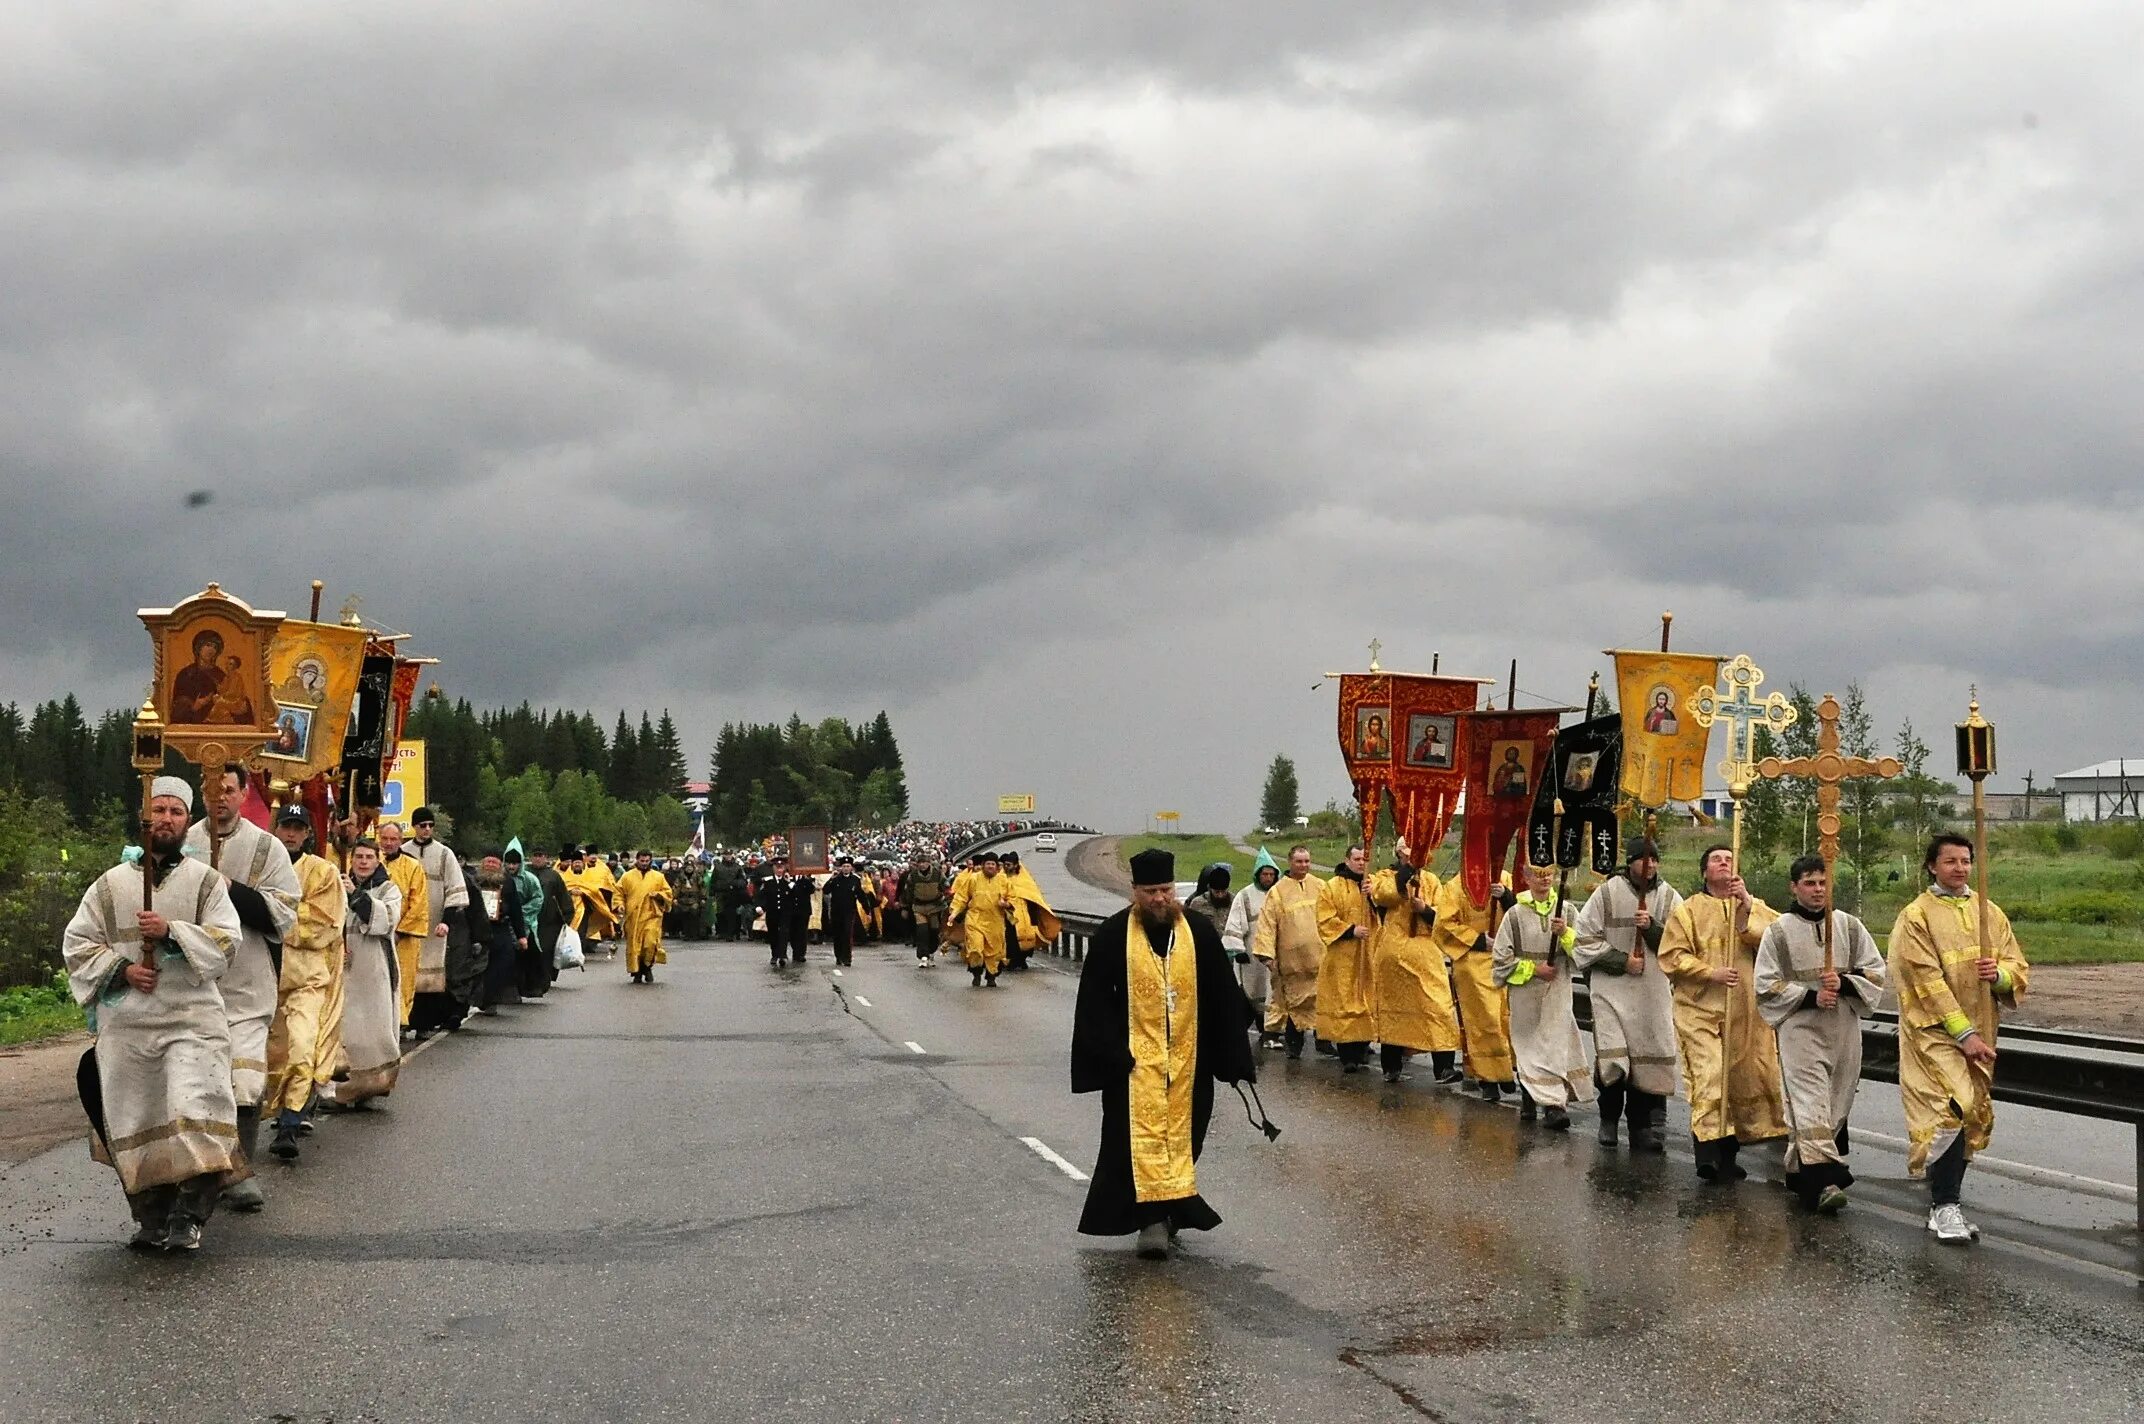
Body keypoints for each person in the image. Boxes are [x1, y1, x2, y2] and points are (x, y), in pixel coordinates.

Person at [64, 776, 243, 1252]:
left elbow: (227, 943)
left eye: (176, 812)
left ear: (188, 822)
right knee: (135, 1118)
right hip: (128, 1028)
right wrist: (122, 970)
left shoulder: (205, 882)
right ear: (144, 818)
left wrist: (170, 931)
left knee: (193, 1109)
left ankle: (190, 1214)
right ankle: (151, 1216)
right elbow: (77, 944)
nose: (166, 819)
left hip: (191, 1020)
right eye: (158, 810)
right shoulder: (110, 884)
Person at [1071, 848, 1258, 1259]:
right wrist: (1111, 1054)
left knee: (1187, 1141)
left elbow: (1223, 998)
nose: (1159, 898)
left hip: (1191, 1066)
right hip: (1133, 1068)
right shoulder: (1113, 935)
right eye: (1151, 890)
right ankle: (1150, 1221)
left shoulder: (1198, 932)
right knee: (1134, 1146)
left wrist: (1233, 1058)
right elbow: (1095, 1002)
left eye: (1166, 890)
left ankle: (1171, 1211)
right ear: (1134, 891)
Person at [1888, 833, 2029, 1243]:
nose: (1960, 868)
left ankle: (1947, 1196)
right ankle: (1944, 1206)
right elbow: (1924, 981)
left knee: (1973, 1111)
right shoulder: (1916, 916)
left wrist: (1999, 975)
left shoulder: (1989, 911)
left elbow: (2015, 963)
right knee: (1954, 1105)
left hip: (1983, 1028)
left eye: (1966, 861)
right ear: (1932, 866)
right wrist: (1961, 1032)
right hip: (1933, 1032)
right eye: (1950, 861)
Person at [184, 764, 299, 1213]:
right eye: (213, 791)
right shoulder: (186, 841)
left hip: (248, 984)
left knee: (245, 1079)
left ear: (243, 792)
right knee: (199, 1082)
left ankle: (240, 1171)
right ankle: (200, 1169)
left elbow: (283, 915)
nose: (221, 799)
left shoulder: (266, 847)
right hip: (194, 984)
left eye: (229, 790)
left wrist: (228, 887)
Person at [1756, 856, 1887, 1214]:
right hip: (1800, 1029)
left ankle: (1801, 1174)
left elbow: (1876, 972)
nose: (1817, 890)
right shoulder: (1778, 932)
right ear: (1794, 887)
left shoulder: (1849, 926)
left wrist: (1844, 982)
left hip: (1843, 1027)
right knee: (1808, 1101)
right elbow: (1765, 985)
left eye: (1823, 883)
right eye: (1809, 883)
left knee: (1834, 1100)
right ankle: (1826, 1182)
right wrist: (1811, 995)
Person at [1659, 844, 1786, 1182]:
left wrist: (1746, 907)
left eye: (1729, 859)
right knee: (1710, 1075)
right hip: (1699, 1009)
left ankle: (1729, 1154)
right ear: (1704, 872)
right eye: (1716, 859)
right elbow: (1671, 956)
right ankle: (1708, 1153)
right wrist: (1708, 972)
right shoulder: (1687, 911)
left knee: (1739, 1078)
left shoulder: (1753, 905)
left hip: (1743, 1010)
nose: (1724, 863)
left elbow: (1779, 941)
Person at [1573, 838, 1683, 1152]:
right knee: (1614, 1061)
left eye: (1654, 861)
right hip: (1612, 990)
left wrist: (1652, 928)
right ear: (1630, 862)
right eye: (1643, 860)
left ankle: (1642, 1127)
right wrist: (1621, 961)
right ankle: (1608, 1120)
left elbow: (1684, 943)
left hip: (1651, 993)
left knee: (1645, 1064)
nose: (1649, 866)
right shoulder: (1606, 894)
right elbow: (1583, 939)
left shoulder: (1669, 897)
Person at [264, 807, 343, 1162]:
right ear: (276, 829)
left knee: (302, 1046)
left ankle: (290, 1123)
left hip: (307, 980)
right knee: (269, 1055)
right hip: (264, 979)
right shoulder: (261, 867)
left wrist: (271, 916)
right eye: (286, 827)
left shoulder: (323, 872)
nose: (291, 834)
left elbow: (324, 925)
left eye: (298, 829)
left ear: (308, 834)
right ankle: (261, 1115)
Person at [1492, 859, 1591, 1129]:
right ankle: (1529, 1096)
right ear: (1526, 878)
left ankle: (1554, 1106)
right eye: (1538, 874)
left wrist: (1566, 933)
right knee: (1528, 1045)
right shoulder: (1515, 913)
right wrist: (1533, 969)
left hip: (1558, 987)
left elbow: (1583, 951)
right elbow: (1500, 958)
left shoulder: (1567, 911)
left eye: (1549, 874)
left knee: (1554, 1044)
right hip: (1526, 989)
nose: (1545, 879)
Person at [1368, 854, 1461, 1085]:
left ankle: (1444, 1067)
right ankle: (1391, 1066)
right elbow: (1383, 896)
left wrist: (1425, 909)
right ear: (1400, 854)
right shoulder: (1385, 876)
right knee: (1395, 1009)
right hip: (1394, 951)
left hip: (1426, 951)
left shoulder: (1431, 880)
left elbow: (1445, 914)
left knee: (1437, 1006)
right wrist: (1407, 873)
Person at [1431, 869, 1517, 1101]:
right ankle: (1489, 1077)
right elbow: (1444, 924)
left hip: (1504, 957)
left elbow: (1522, 909)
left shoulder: (1504, 878)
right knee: (1484, 1019)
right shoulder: (1455, 886)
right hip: (1471, 960)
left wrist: (1507, 896)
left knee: (1504, 1018)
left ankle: (1506, 1068)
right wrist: (1478, 940)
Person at [336, 838, 404, 1106]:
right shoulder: (338, 883)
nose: (363, 862)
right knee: (345, 1028)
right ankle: (343, 1088)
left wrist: (355, 896)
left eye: (368, 857)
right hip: (343, 962)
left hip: (374, 964)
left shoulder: (388, 889)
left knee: (373, 1026)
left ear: (378, 860)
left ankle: (374, 1082)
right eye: (359, 857)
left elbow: (385, 920)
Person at [1250, 845, 1325, 1058]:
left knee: (1321, 1002)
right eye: (1299, 861)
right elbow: (1267, 924)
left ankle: (1324, 1040)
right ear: (1290, 862)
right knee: (1293, 1005)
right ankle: (1294, 1045)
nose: (1304, 866)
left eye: (1307, 861)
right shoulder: (1278, 891)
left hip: (1319, 958)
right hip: (1291, 963)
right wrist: (1267, 956)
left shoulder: (1320, 886)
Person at [1314, 846, 1377, 1072]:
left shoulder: (1371, 884)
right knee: (1344, 1003)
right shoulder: (1332, 887)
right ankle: (1347, 1054)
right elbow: (1324, 919)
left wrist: (1373, 897)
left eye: (1364, 859)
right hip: (1342, 955)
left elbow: (1386, 911)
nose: (1361, 863)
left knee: (1366, 1000)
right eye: (1357, 859)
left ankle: (1362, 1047)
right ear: (1347, 860)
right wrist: (1350, 930)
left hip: (1367, 954)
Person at [408, 807, 470, 1020]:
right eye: (423, 825)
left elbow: (455, 889)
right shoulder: (404, 851)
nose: (427, 829)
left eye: (430, 825)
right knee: (409, 971)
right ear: (414, 826)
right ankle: (407, 1019)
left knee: (433, 973)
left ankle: (427, 1022)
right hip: (409, 923)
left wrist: (446, 921)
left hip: (435, 924)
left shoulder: (444, 853)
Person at [374, 820, 431, 1034]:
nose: (388, 843)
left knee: (403, 980)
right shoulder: (370, 861)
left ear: (401, 841)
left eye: (393, 839)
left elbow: (419, 904)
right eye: (385, 839)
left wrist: (398, 932)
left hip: (403, 937)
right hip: (374, 933)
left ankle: (399, 1022)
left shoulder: (413, 867)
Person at [1222, 851, 1279, 1045]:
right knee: (1249, 994)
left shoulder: (1279, 894)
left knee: (1273, 993)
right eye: (1265, 874)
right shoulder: (1245, 895)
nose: (1268, 878)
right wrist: (1237, 950)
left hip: (1274, 955)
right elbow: (1235, 924)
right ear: (1258, 874)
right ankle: (1235, 1036)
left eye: (1272, 874)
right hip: (1251, 957)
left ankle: (1270, 1031)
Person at [470, 851, 529, 1011]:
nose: (490, 865)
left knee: (503, 964)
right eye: (488, 862)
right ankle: (479, 998)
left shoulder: (508, 883)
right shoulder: (473, 880)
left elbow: (516, 910)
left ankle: (491, 999)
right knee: (477, 966)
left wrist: (521, 936)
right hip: (477, 929)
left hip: (500, 928)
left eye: (494, 863)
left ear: (499, 865)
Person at [949, 851, 1012, 987]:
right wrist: (954, 912)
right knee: (976, 948)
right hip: (975, 919)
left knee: (994, 952)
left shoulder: (1004, 881)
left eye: (993, 864)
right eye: (988, 864)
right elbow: (962, 897)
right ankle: (976, 974)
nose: (990, 866)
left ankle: (991, 977)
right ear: (983, 865)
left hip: (995, 921)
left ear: (997, 867)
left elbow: (1013, 899)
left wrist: (1006, 904)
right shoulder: (973, 879)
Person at [618, 850, 674, 984]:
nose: (644, 864)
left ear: (650, 861)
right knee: (635, 947)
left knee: (650, 943)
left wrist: (659, 896)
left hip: (652, 915)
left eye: (646, 861)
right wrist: (619, 905)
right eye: (641, 861)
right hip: (633, 917)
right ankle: (636, 971)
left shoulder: (658, 877)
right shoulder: (627, 877)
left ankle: (647, 967)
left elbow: (668, 893)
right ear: (637, 860)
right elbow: (618, 893)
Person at [1004, 851, 1061, 969]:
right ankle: (1012, 960)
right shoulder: (1002, 877)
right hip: (1009, 913)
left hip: (1025, 912)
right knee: (1011, 937)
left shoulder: (1025, 879)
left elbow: (1033, 894)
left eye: (1009, 865)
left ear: (1015, 865)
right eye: (1005, 864)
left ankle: (1022, 959)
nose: (1006, 867)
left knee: (1028, 936)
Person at [503, 845, 547, 996]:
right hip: (504, 921)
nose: (511, 867)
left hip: (526, 922)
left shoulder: (530, 879)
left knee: (530, 954)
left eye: (514, 863)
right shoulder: (500, 878)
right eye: (508, 863)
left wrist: (520, 912)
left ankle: (532, 986)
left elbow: (538, 898)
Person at [529, 846, 575, 982]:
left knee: (547, 950)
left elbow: (563, 897)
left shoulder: (553, 876)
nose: (538, 858)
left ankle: (546, 977)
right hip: (529, 919)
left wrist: (567, 917)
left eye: (540, 855)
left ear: (546, 858)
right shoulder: (525, 874)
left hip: (549, 922)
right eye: (535, 855)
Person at [902, 851, 948, 966]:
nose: (922, 865)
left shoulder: (938, 874)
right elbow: (907, 891)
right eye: (920, 863)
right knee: (922, 931)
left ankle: (931, 951)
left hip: (935, 906)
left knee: (934, 930)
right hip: (919, 906)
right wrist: (905, 907)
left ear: (929, 863)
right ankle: (923, 955)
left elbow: (946, 888)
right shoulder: (913, 876)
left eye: (924, 862)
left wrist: (945, 899)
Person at [821, 856, 865, 967]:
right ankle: (838, 956)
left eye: (848, 866)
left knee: (847, 933)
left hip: (849, 910)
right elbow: (826, 890)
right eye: (844, 866)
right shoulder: (836, 879)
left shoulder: (855, 880)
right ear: (841, 867)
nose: (845, 868)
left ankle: (847, 958)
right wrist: (831, 879)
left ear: (851, 868)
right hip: (836, 911)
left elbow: (860, 894)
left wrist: (866, 907)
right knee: (838, 935)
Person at [757, 854, 799, 966]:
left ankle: (782, 955)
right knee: (773, 934)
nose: (779, 869)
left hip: (785, 913)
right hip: (772, 912)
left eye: (781, 867)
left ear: (784, 868)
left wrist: (790, 883)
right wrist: (760, 907)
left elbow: (796, 895)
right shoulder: (768, 882)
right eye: (777, 867)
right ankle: (774, 954)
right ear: (773, 868)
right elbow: (762, 896)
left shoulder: (788, 882)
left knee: (784, 933)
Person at [1183, 863, 1234, 933]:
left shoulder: (1235, 903)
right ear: (1210, 888)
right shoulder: (1197, 904)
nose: (1220, 895)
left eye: (1223, 891)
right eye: (1217, 892)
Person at [711, 855, 748, 941]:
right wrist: (712, 893)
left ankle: (732, 933)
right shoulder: (718, 867)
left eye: (730, 855)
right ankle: (721, 932)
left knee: (732, 914)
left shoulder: (737, 867)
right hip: (720, 893)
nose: (728, 856)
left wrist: (735, 883)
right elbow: (713, 880)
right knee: (720, 913)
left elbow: (743, 881)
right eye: (726, 855)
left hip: (733, 893)